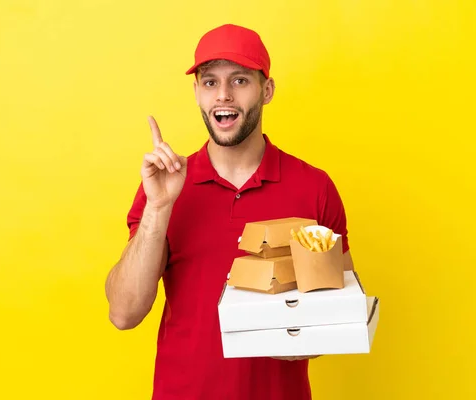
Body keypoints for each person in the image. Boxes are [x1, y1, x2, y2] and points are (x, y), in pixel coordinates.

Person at [105, 23, 355, 400]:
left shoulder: (314, 189)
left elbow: (337, 313)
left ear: (266, 90)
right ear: (197, 93)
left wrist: (296, 335)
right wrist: (158, 208)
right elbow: (123, 314)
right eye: (210, 83)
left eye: (239, 81)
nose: (223, 96)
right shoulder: (164, 188)